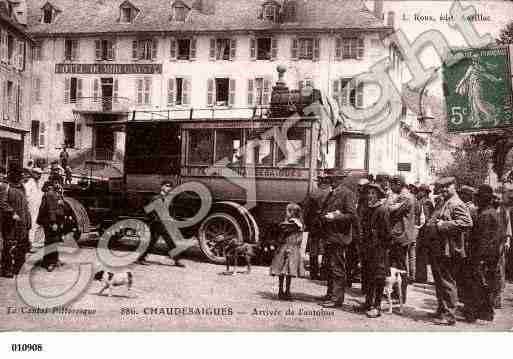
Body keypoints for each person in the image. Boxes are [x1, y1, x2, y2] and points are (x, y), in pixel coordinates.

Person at [424, 177, 473, 326]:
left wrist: (443, 224)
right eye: (442, 187)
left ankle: (450, 315)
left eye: (447, 187)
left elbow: (467, 223)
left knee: (447, 282)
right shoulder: (443, 201)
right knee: (439, 281)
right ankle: (441, 309)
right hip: (437, 248)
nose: (444, 190)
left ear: (454, 187)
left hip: (449, 250)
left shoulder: (457, 203)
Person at [465, 185, 508, 322]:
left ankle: (481, 313)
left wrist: (478, 259)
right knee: (485, 285)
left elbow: (484, 240)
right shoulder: (489, 212)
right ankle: (485, 313)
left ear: (484, 199)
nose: (475, 199)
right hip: (488, 257)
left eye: (478, 197)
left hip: (483, 258)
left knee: (480, 285)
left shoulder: (486, 215)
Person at [316, 169, 358, 309]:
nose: (331, 181)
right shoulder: (332, 193)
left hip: (339, 237)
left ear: (341, 179)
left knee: (337, 268)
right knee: (329, 267)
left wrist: (335, 216)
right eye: (330, 178)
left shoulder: (347, 194)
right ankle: (330, 294)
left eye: (334, 179)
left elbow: (352, 215)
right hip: (330, 235)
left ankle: (337, 298)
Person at [357, 183, 390, 318]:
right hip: (368, 247)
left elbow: (387, 233)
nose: (370, 196)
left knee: (378, 277)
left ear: (378, 195)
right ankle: (368, 303)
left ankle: (377, 306)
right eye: (368, 193)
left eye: (373, 194)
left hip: (378, 249)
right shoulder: (367, 209)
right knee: (368, 276)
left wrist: (380, 243)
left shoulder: (382, 210)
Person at [136, 180, 185, 267]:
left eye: (170, 186)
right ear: (162, 187)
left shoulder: (167, 198)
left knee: (152, 242)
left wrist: (170, 219)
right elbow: (148, 210)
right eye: (167, 186)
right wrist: (156, 219)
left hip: (163, 223)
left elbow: (168, 211)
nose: (168, 188)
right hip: (157, 223)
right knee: (170, 241)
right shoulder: (156, 198)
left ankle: (140, 258)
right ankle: (177, 260)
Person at [387, 175, 417, 302]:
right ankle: (396, 294)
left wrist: (389, 201)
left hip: (401, 236)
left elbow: (391, 211)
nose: (390, 188)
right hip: (399, 235)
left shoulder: (405, 197)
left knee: (400, 267)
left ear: (398, 184)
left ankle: (400, 296)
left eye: (392, 185)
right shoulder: (404, 196)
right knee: (395, 266)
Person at [0, 162, 31, 278]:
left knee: (22, 244)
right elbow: (2, 203)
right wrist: (12, 213)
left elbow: (25, 204)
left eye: (20, 174)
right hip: (10, 222)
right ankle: (6, 268)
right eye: (17, 174)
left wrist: (28, 219)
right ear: (11, 174)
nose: (20, 176)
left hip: (22, 221)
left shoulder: (21, 186)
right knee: (9, 244)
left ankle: (19, 267)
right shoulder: (4, 186)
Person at [270, 203, 305, 300]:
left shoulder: (293, 223)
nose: (285, 213)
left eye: (287, 211)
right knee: (287, 271)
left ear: (292, 212)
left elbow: (282, 227)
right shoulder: (298, 223)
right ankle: (285, 291)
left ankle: (282, 291)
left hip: (287, 248)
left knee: (284, 271)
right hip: (292, 248)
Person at [37, 176, 66, 271]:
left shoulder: (58, 193)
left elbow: (62, 207)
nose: (58, 184)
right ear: (52, 183)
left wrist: (61, 204)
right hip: (50, 221)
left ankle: (55, 259)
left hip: (57, 220)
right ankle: (48, 262)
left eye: (59, 182)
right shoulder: (50, 194)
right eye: (56, 182)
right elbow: (51, 210)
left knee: (55, 240)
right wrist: (53, 222)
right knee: (50, 241)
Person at [415, 184, 435, 283]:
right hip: (423, 230)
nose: (418, 193)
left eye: (419, 191)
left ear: (423, 192)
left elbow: (427, 217)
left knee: (422, 253)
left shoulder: (426, 202)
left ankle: (421, 277)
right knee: (420, 253)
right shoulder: (423, 201)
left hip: (424, 231)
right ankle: (420, 276)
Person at [24, 167, 44, 252]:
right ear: (33, 173)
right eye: (37, 173)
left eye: (40, 174)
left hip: (37, 207)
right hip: (31, 208)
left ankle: (35, 242)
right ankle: (29, 244)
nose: (39, 175)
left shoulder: (38, 183)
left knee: (36, 225)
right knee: (31, 225)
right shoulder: (29, 183)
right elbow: (26, 196)